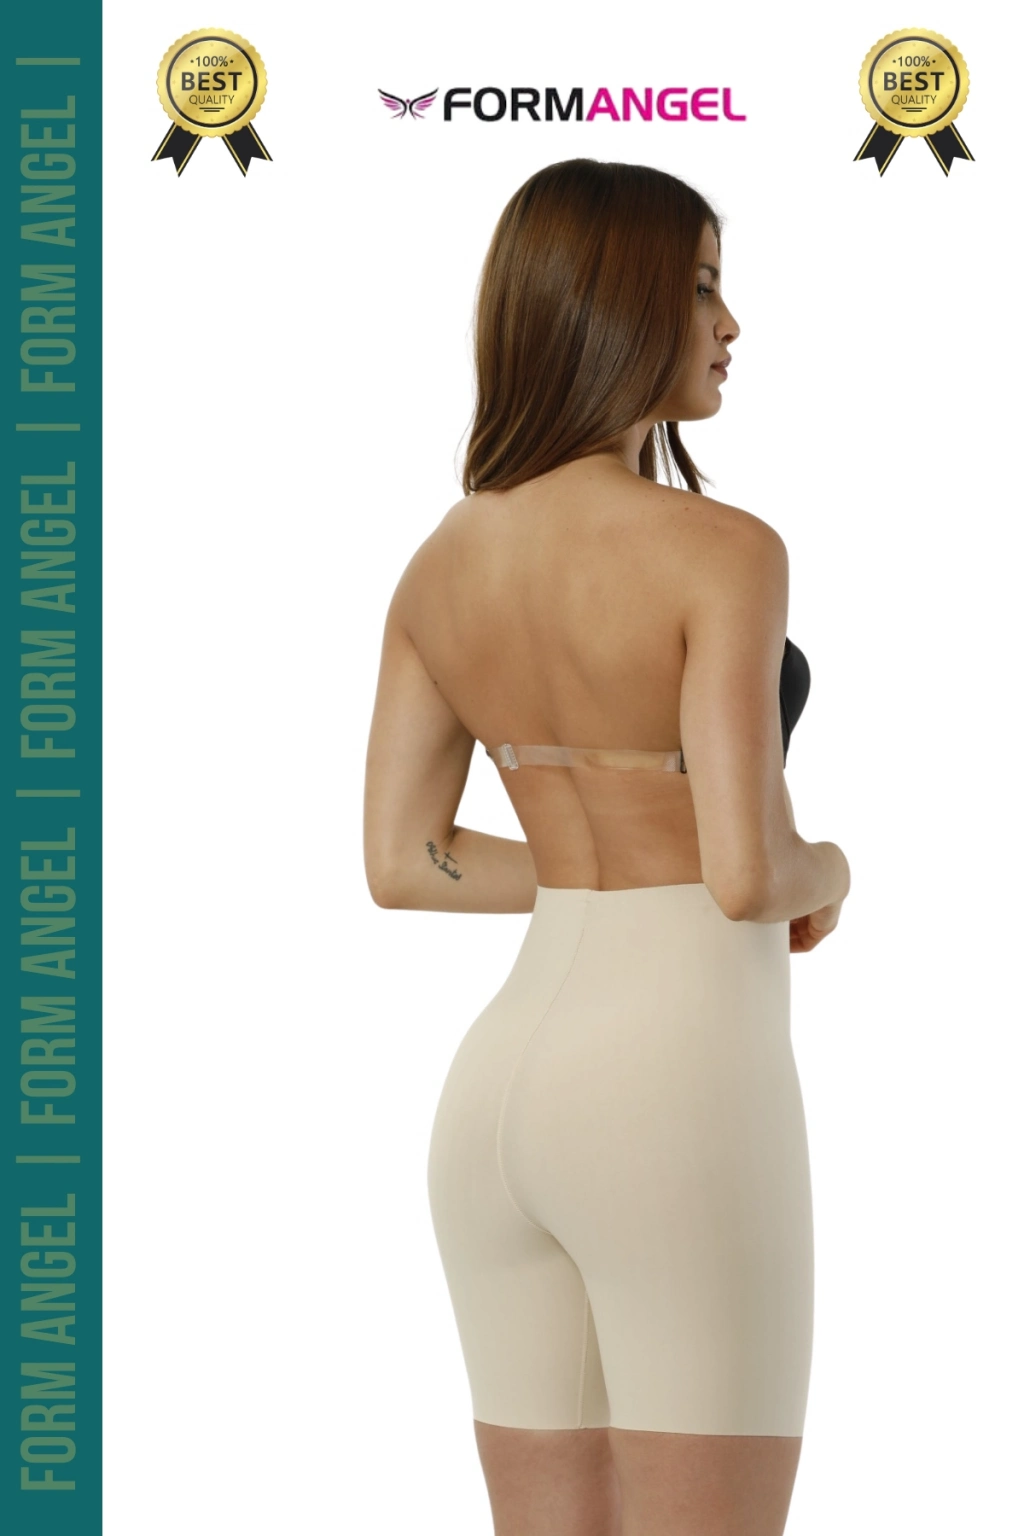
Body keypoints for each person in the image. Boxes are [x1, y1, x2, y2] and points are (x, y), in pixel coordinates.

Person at [363, 157, 851, 1536]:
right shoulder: (723, 551)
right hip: (675, 1092)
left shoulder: (442, 563)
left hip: (497, 1100)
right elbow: (750, 873)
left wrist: (600, 873)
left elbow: (401, 861)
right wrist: (833, 869)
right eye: (698, 287)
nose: (729, 323)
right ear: (616, 304)